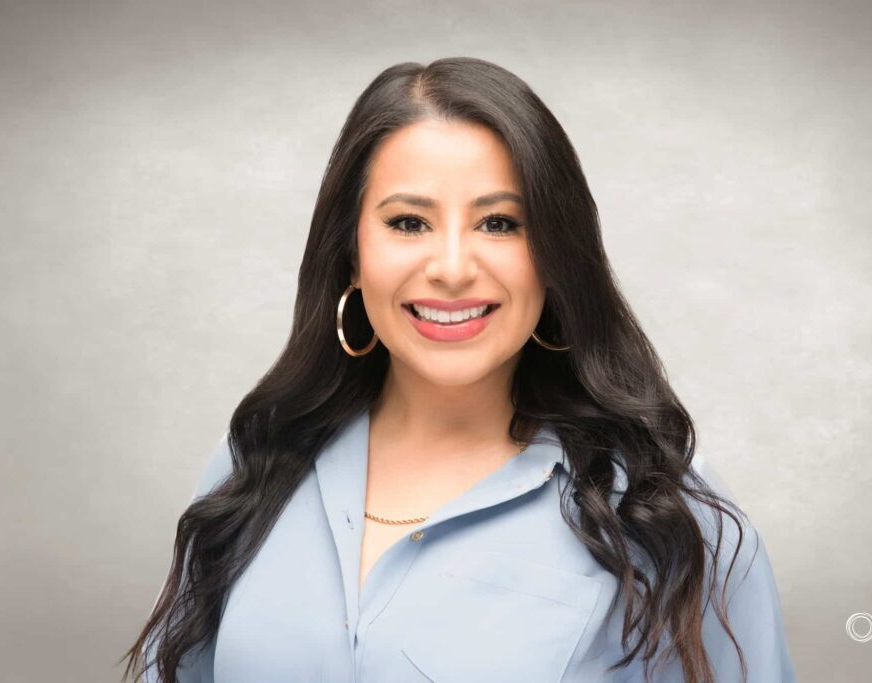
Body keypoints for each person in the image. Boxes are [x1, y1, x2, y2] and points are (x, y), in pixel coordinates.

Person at [123, 57, 797, 683]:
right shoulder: (257, 460)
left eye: (500, 224)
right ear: (351, 252)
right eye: (409, 222)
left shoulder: (666, 508)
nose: (450, 267)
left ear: (556, 255)